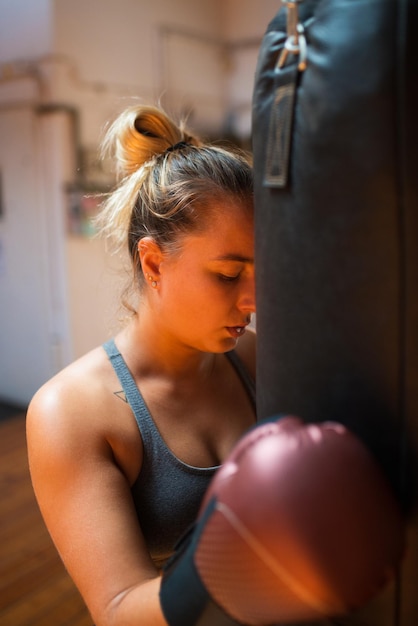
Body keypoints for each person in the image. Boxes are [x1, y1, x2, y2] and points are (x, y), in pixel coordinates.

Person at [26, 104, 256, 626]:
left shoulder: (255, 356)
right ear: (153, 263)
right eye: (227, 274)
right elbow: (117, 608)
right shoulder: (71, 412)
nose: (253, 298)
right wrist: (244, 551)